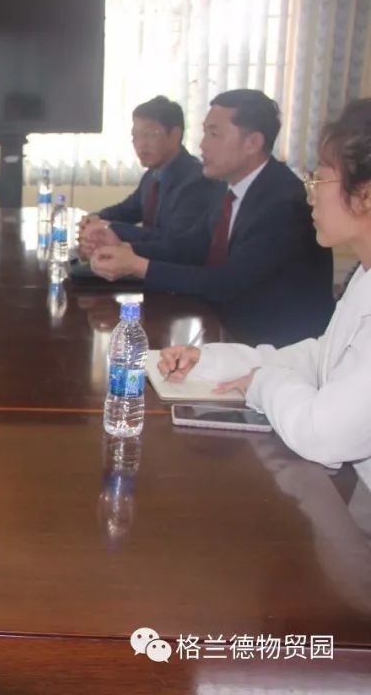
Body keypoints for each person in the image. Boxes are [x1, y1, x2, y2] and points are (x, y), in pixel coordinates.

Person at [158, 98, 371, 485]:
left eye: (320, 178)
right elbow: (323, 358)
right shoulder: (364, 276)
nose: (310, 192)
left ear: (365, 194)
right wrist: (213, 361)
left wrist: (261, 383)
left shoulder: (283, 204)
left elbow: (322, 435)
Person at [88, 89, 334, 347]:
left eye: (214, 134)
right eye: (205, 133)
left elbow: (226, 282)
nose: (202, 145)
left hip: (277, 347)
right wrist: (124, 247)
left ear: (252, 143)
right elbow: (190, 246)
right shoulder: (224, 187)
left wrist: (138, 266)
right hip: (227, 330)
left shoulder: (284, 203)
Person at [78, 95, 217, 252]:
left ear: (175, 135)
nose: (141, 144)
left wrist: (108, 227)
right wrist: (94, 218)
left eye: (150, 134)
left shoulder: (196, 181)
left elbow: (172, 241)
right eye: (135, 136)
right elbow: (127, 210)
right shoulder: (152, 175)